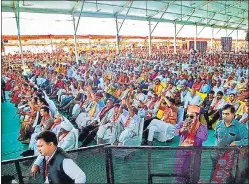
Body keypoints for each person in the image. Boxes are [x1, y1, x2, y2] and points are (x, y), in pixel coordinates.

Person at [210, 104, 248, 183]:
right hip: (218, 153)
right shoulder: (219, 124)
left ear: (233, 114)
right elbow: (216, 137)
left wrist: (237, 143)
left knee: (234, 174)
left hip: (233, 156)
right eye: (223, 113)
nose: (224, 116)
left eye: (227, 114)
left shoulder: (240, 127)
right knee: (216, 172)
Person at [174, 105, 208, 184]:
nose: (189, 118)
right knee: (181, 171)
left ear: (197, 116)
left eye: (192, 116)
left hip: (195, 153)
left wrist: (192, 129)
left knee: (194, 171)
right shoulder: (182, 123)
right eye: (187, 116)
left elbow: (203, 138)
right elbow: (175, 132)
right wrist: (182, 129)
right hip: (182, 152)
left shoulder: (202, 126)